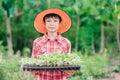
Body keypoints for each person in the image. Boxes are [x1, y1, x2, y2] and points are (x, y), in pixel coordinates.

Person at [32, 8, 76, 80]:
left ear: (60, 23)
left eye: (55, 21)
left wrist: (70, 70)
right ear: (44, 23)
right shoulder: (37, 42)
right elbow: (34, 69)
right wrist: (33, 68)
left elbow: (67, 71)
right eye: (48, 21)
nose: (52, 24)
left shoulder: (66, 43)